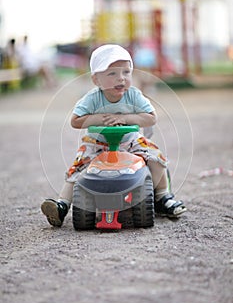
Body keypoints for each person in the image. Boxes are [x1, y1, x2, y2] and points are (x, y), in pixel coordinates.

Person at [41, 44, 186, 227]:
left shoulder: (133, 95)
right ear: (96, 80)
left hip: (130, 142)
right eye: (112, 74)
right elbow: (75, 121)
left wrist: (125, 118)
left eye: (126, 72)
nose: (121, 78)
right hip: (98, 143)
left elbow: (151, 117)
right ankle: (62, 205)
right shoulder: (93, 98)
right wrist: (98, 119)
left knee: (155, 157)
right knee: (78, 168)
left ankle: (163, 197)